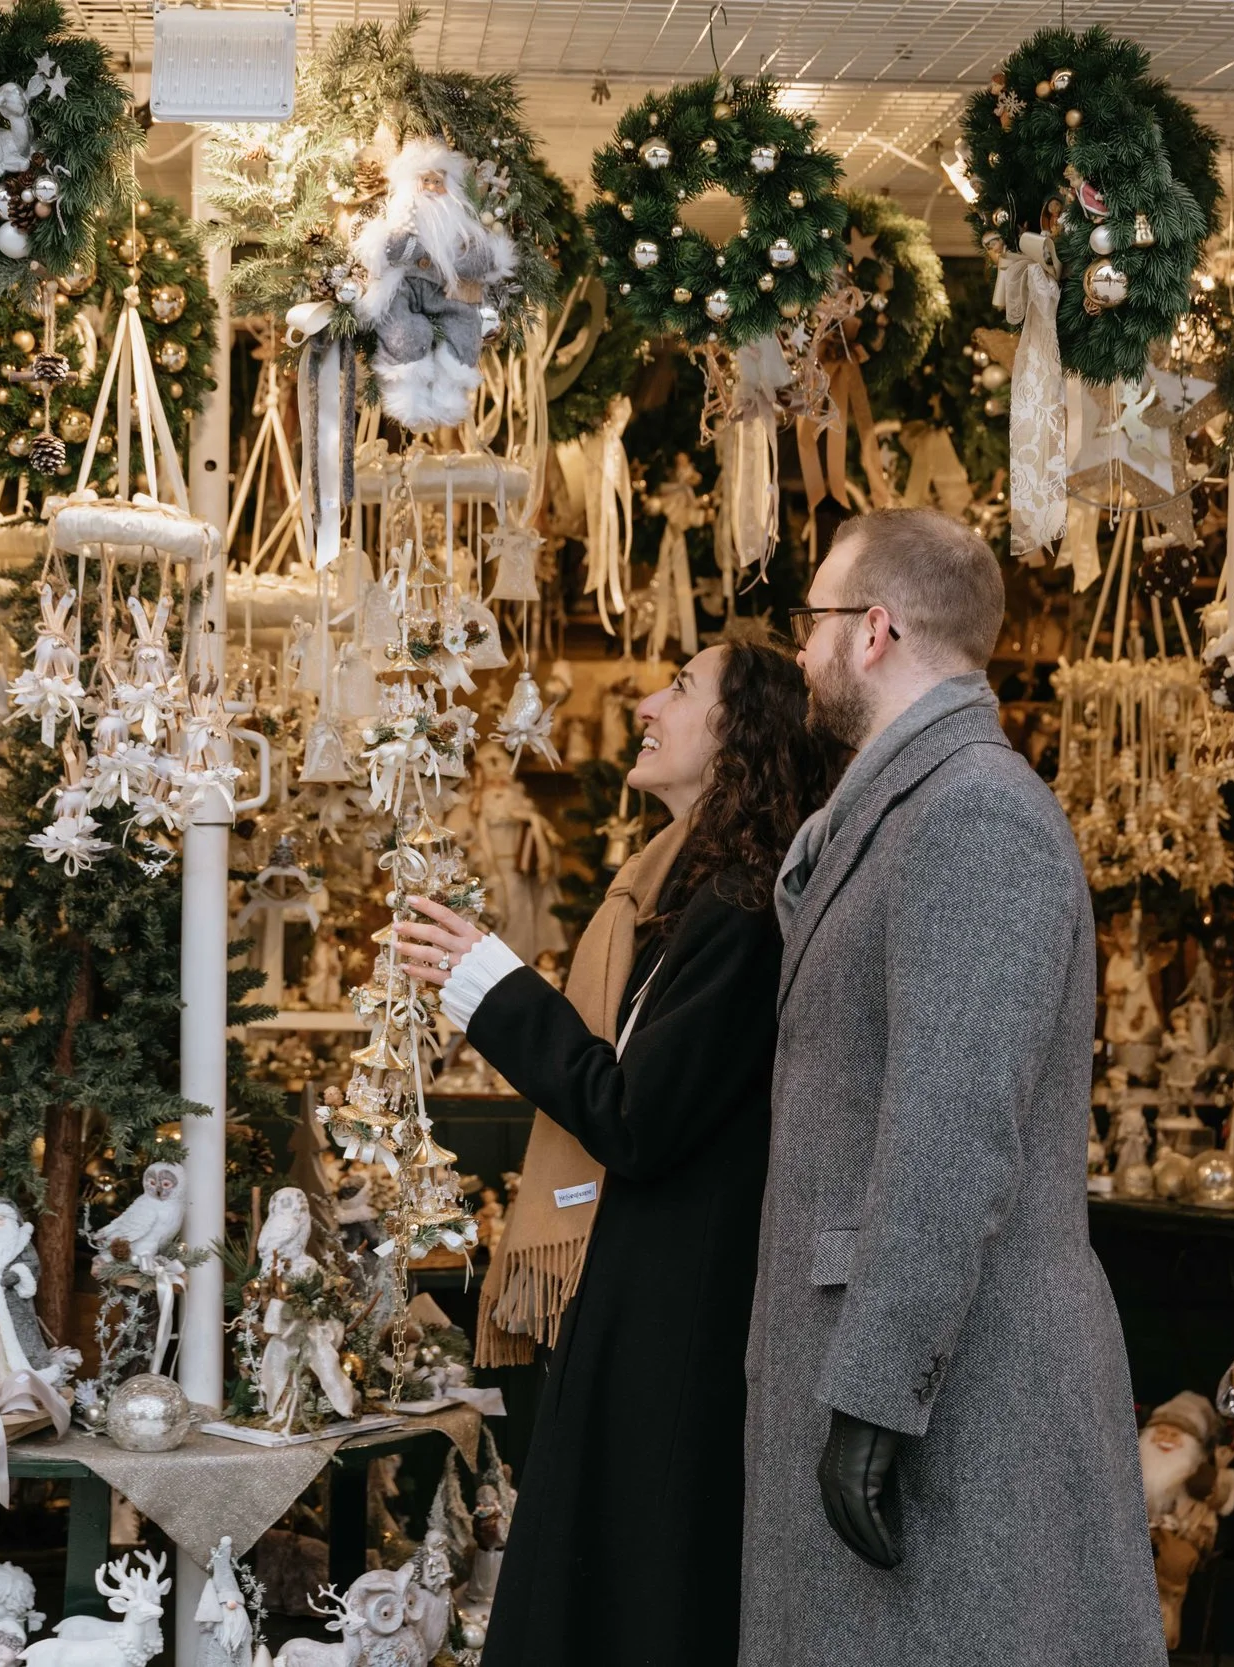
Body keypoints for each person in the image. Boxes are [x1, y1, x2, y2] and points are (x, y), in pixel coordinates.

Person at [746, 508, 1161, 1664]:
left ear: (873, 630)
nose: (800, 650)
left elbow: (952, 1130)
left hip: (953, 1400)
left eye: (812, 622)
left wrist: (878, 1391)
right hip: (894, 1372)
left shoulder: (972, 812)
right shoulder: (899, 810)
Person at [395, 640, 834, 1667]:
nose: (644, 699)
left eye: (680, 686)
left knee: (637, 1591)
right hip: (647, 1297)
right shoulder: (678, 894)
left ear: (740, 739)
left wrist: (490, 986)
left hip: (680, 1317)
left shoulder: (739, 907)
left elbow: (636, 1116)